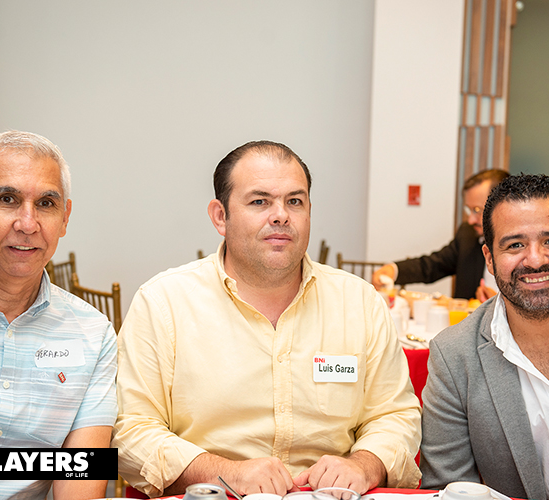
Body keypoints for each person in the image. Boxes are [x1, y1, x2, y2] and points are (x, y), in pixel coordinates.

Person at [112, 140, 421, 497]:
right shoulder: (164, 303)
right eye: (260, 201)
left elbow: (394, 415)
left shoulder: (359, 302)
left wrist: (363, 465)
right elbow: (131, 430)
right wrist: (225, 473)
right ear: (220, 216)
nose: (281, 215)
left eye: (295, 201)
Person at [0, 131, 118, 500]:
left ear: (65, 216)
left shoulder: (93, 334)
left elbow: (81, 482)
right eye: (7, 199)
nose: (28, 224)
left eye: (45, 203)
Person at [420, 174, 549, 500]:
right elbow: (451, 489)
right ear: (490, 259)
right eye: (515, 245)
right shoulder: (455, 357)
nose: (535, 260)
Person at [372, 169, 509, 301]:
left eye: (478, 210)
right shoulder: (468, 235)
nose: (471, 219)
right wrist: (393, 270)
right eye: (469, 210)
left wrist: (501, 304)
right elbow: (433, 265)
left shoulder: (526, 247)